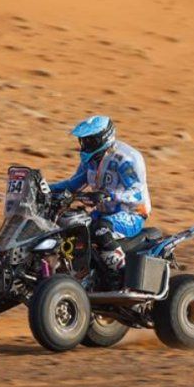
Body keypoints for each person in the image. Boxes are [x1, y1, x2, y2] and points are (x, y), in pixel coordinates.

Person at [49, 115, 151, 278]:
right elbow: (73, 184)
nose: (84, 145)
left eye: (89, 141)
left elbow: (136, 191)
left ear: (103, 138)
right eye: (83, 141)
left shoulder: (125, 159)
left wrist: (109, 195)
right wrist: (44, 187)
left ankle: (122, 275)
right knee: (70, 226)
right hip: (102, 212)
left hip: (133, 213)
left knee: (100, 229)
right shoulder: (90, 162)